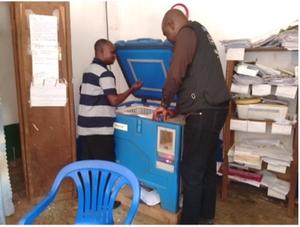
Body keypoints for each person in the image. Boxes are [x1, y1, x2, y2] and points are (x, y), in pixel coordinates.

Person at [153, 9, 230, 224]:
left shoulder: (187, 32)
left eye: (167, 36)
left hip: (203, 112)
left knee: (191, 172)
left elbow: (176, 73)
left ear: (171, 25)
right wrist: (176, 109)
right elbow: (194, 80)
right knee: (205, 166)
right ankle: (206, 217)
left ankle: (190, 222)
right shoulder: (202, 33)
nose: (169, 41)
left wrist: (164, 103)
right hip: (217, 109)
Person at [77, 39, 142, 207]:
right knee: (106, 167)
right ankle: (106, 202)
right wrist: (131, 90)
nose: (114, 56)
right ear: (100, 52)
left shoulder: (88, 70)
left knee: (89, 168)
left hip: (84, 129)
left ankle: (88, 200)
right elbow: (113, 100)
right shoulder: (105, 73)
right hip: (99, 131)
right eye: (111, 52)